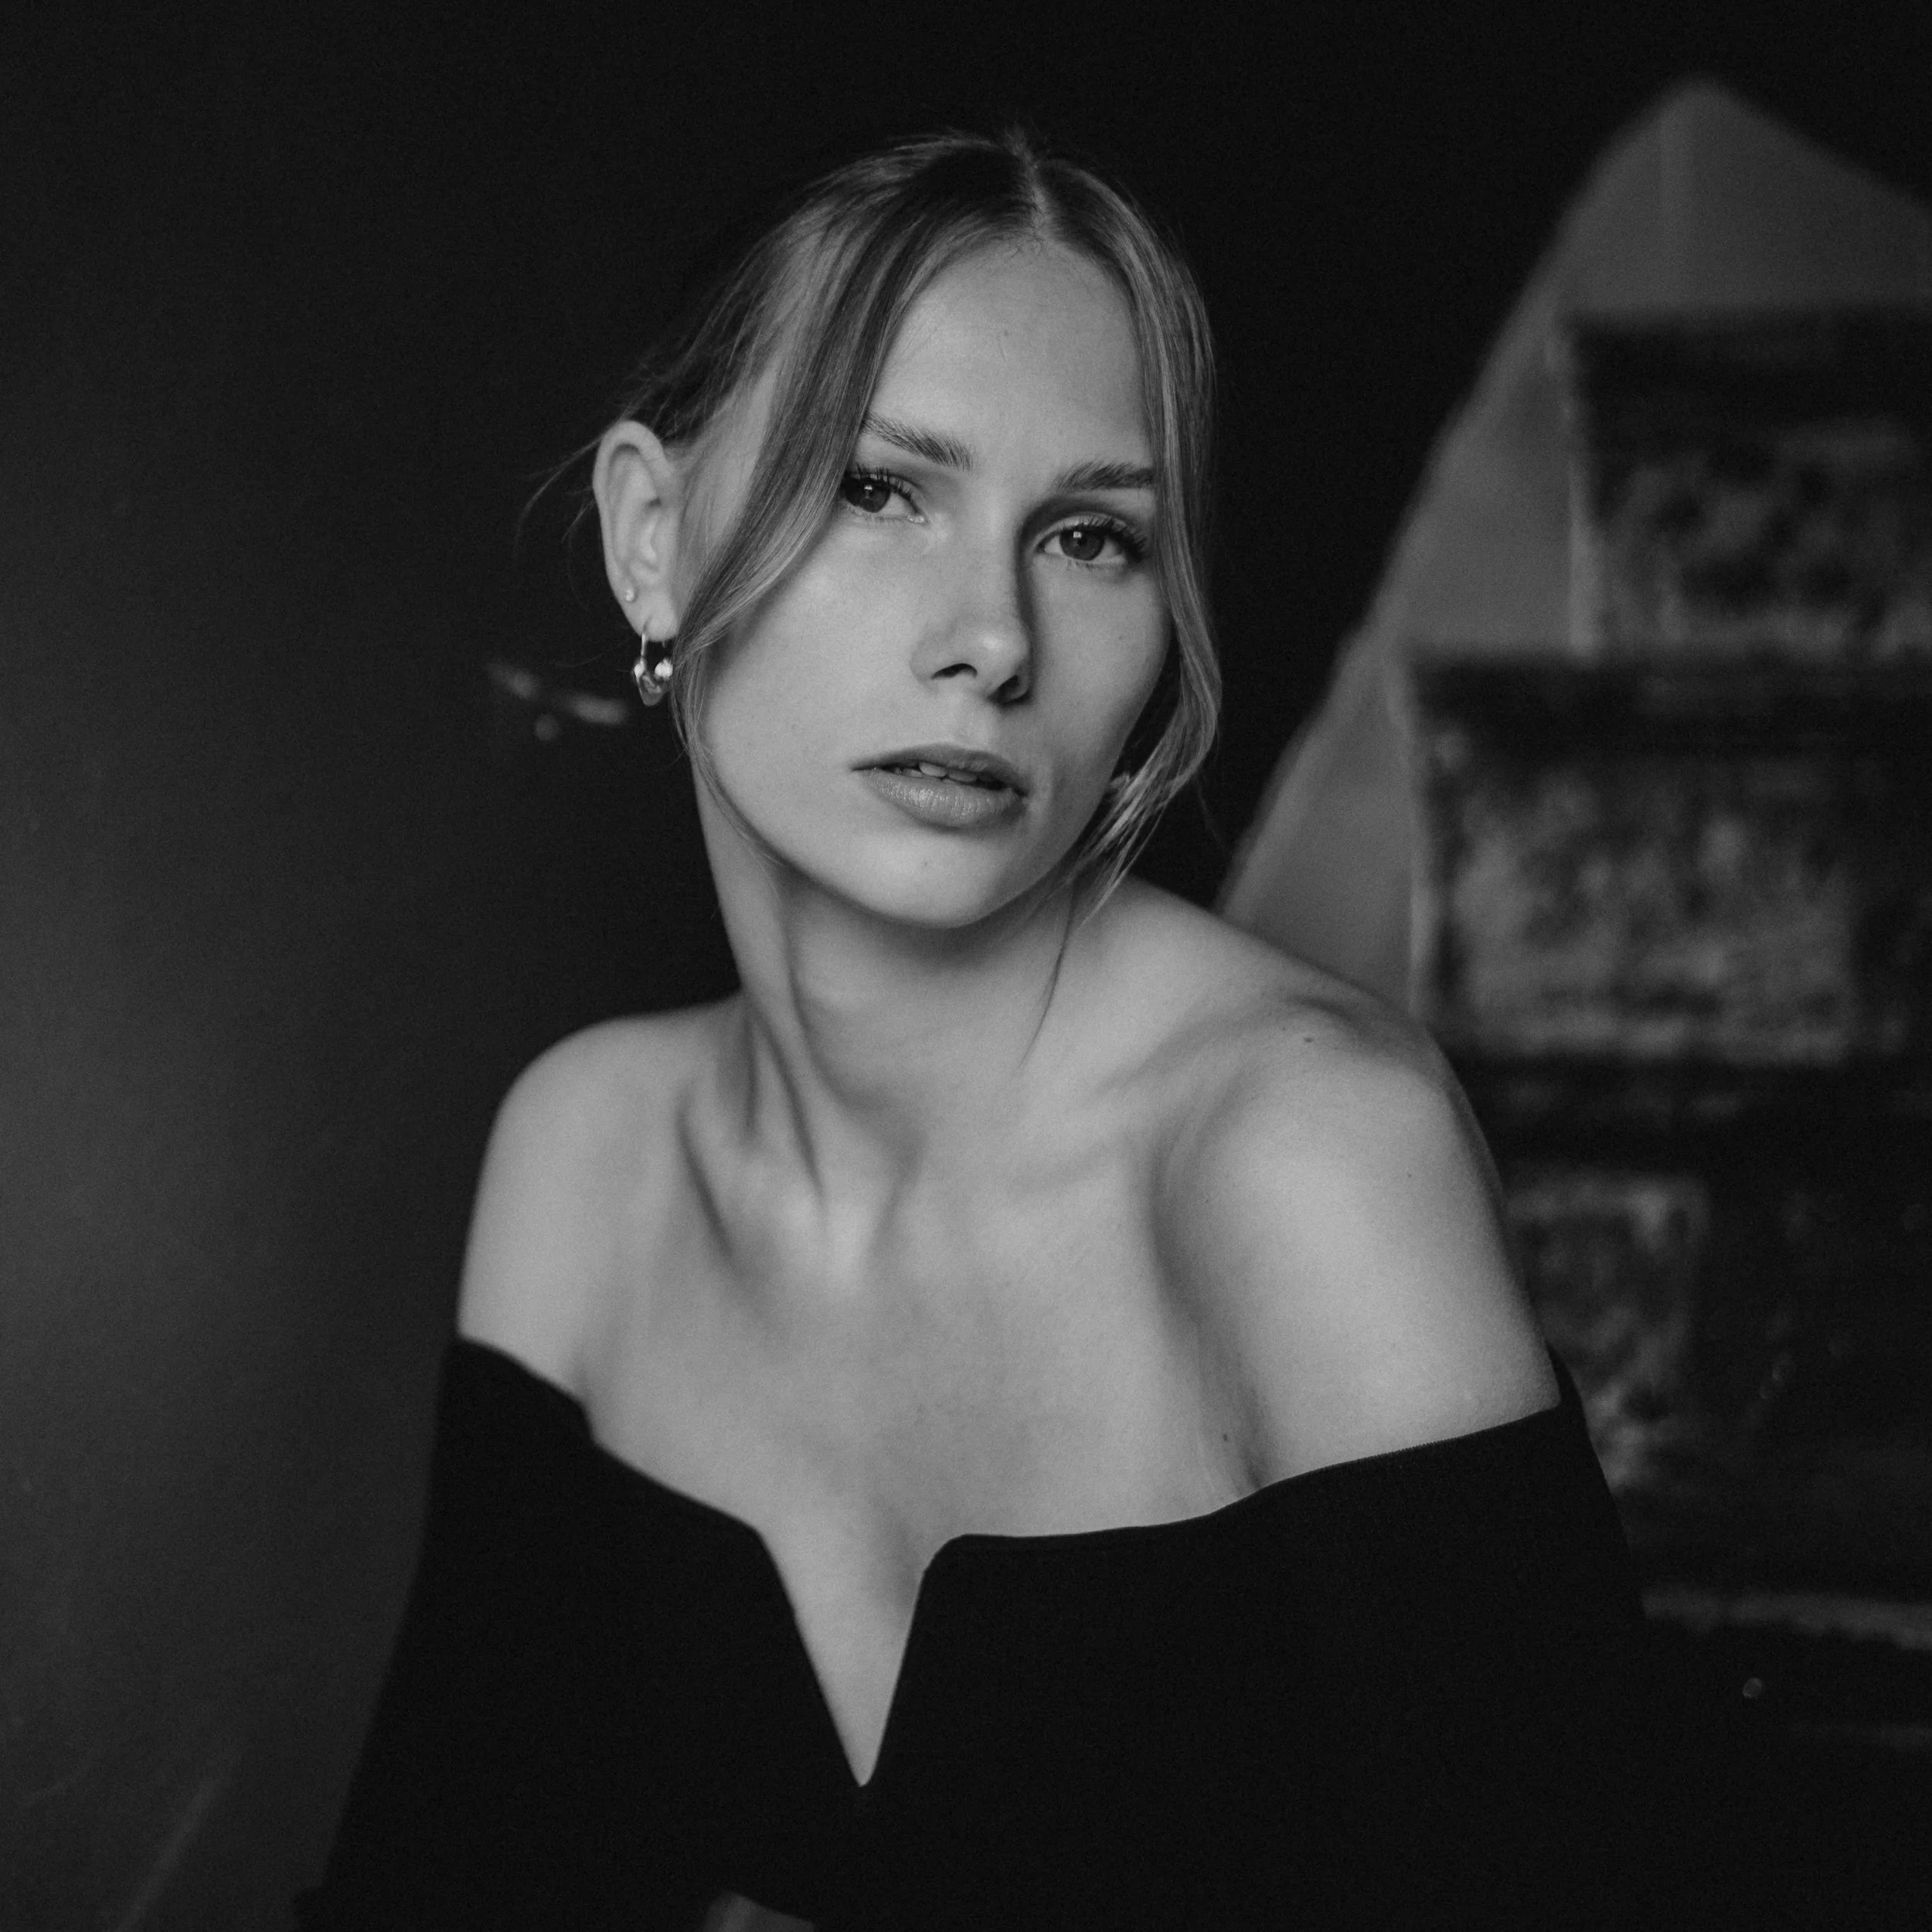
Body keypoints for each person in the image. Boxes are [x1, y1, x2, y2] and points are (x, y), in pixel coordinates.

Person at [298, 127, 1659, 1930]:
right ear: (650, 537)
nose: (991, 636)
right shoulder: (592, 1154)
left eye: (1090, 534)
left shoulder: (1300, 1158)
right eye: (880, 488)